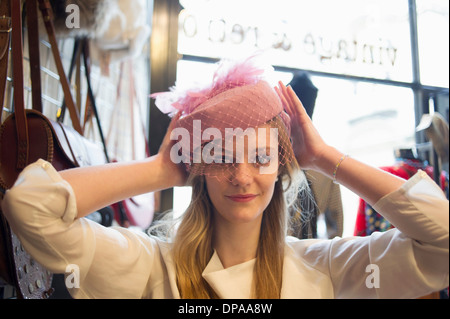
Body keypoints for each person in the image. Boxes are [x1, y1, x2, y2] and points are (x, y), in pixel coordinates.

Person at [1, 57, 448, 299]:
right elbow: (31, 207)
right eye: (220, 156)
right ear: (199, 168)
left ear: (281, 166)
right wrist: (159, 171)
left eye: (260, 157)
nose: (241, 176)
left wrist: (324, 156)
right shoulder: (150, 267)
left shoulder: (325, 270)